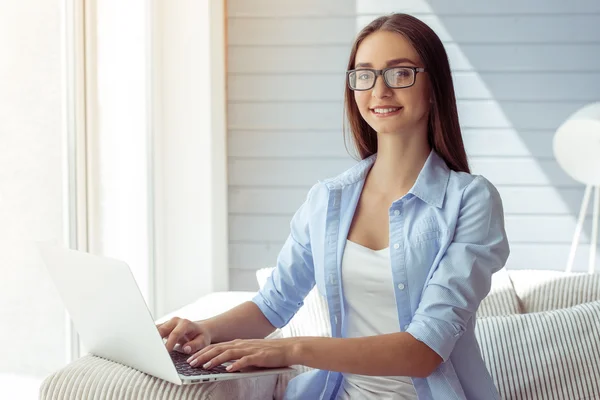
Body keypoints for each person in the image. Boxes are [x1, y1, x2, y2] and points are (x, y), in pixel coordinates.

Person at [157, 13, 510, 400]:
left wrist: (291, 349)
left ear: (433, 87)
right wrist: (205, 330)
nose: (380, 90)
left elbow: (425, 349)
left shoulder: (471, 201)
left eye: (400, 73)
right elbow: (273, 304)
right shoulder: (328, 199)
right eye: (365, 74)